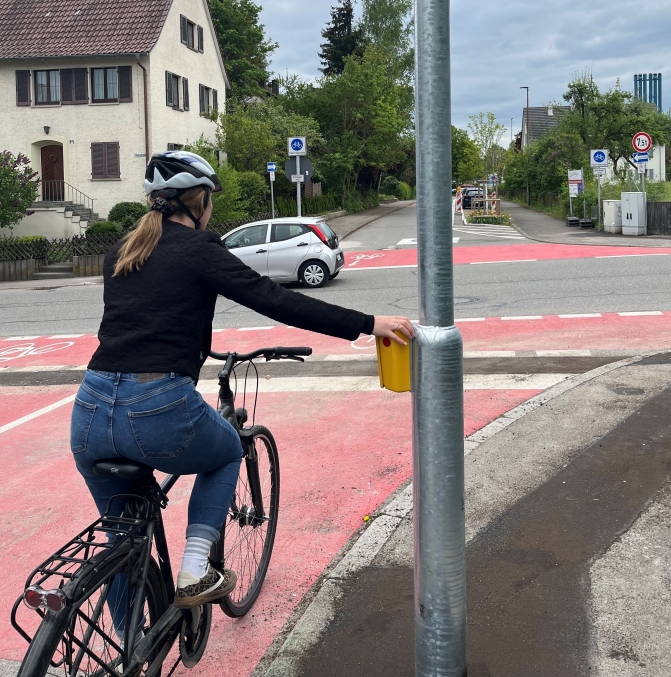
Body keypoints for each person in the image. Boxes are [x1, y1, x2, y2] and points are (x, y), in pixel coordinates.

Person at [71, 151, 414, 611]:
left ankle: (129, 643)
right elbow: (275, 299)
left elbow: (141, 318)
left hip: (90, 410)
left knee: (122, 543)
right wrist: (368, 323)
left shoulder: (123, 248)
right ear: (199, 201)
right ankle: (195, 569)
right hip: (156, 405)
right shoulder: (199, 248)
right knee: (229, 449)